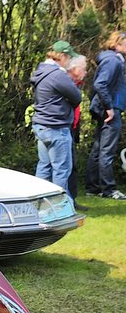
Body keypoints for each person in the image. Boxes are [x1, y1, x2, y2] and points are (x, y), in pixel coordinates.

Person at [30, 40, 82, 198]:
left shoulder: (41, 71)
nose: (70, 62)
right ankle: (59, 208)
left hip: (42, 125)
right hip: (56, 127)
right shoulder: (58, 74)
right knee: (61, 169)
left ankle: (38, 205)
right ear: (63, 56)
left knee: (44, 168)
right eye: (69, 58)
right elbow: (77, 96)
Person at [86, 30, 126, 200]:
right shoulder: (113, 61)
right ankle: (109, 189)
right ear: (117, 44)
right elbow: (100, 84)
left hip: (107, 108)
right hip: (111, 110)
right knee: (106, 151)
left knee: (98, 149)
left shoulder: (111, 60)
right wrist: (110, 107)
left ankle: (93, 188)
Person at [67, 54, 88, 208]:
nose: (86, 72)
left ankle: (72, 199)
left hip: (72, 128)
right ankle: (67, 201)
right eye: (83, 69)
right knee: (66, 166)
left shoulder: (75, 84)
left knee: (72, 165)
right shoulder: (66, 83)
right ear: (74, 69)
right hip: (64, 127)